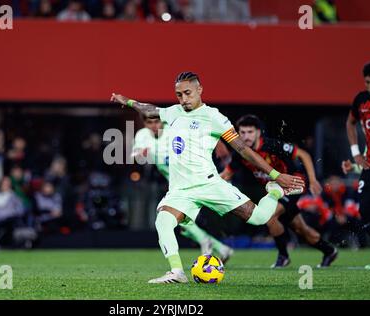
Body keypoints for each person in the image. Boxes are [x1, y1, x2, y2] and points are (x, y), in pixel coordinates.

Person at [111, 71, 305, 283]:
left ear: (199, 90)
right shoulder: (173, 112)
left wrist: (275, 175)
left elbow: (243, 150)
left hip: (209, 184)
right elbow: (150, 109)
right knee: (163, 221)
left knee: (259, 218)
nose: (184, 99)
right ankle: (177, 272)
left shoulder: (214, 117)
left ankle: (274, 191)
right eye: (179, 95)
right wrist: (128, 101)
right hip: (181, 190)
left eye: (187, 93)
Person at [220, 114, 337, 268]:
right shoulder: (240, 154)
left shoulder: (271, 145)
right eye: (242, 132)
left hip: (292, 185)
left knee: (269, 216)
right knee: (301, 229)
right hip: (274, 192)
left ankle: (283, 256)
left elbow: (303, 154)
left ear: (258, 132)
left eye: (250, 132)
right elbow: (226, 174)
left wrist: (313, 179)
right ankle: (329, 250)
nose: (246, 136)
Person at [132, 114, 234, 262]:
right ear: (144, 124)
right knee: (181, 221)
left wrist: (218, 143)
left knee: (172, 217)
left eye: (156, 121)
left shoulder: (174, 129)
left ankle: (209, 242)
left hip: (195, 178)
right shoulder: (142, 135)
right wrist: (140, 154)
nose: (154, 125)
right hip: (177, 184)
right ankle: (220, 247)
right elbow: (136, 155)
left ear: (162, 121)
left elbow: (201, 131)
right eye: (149, 122)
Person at [346, 60, 370, 270]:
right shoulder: (361, 100)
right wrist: (356, 153)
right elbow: (350, 122)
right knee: (365, 209)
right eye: (368, 82)